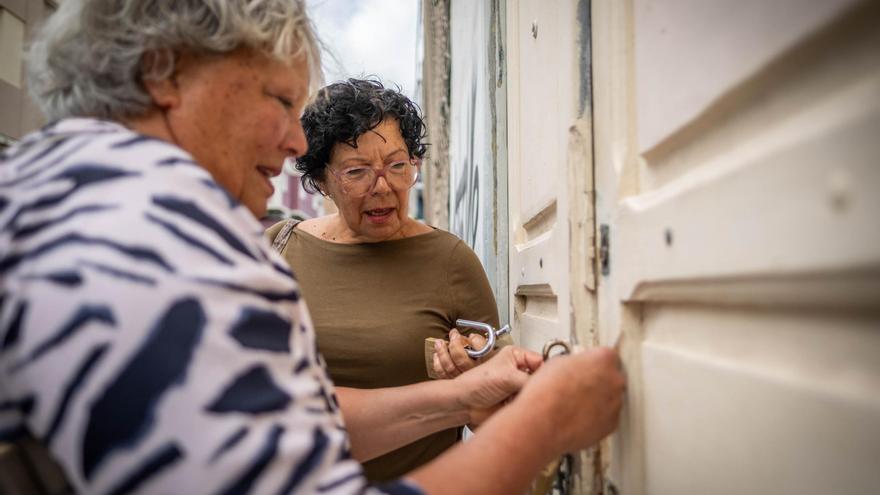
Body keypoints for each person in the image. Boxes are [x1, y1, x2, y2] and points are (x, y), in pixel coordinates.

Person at [0, 1, 625, 494]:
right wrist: (546, 423)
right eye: (279, 99)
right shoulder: (173, 248)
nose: (297, 140)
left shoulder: (36, 193)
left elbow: (271, 428)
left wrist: (463, 397)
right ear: (165, 71)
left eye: (397, 163)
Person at [266, 78, 508, 481]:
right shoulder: (278, 248)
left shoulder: (451, 262)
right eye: (357, 172)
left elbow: (499, 420)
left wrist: (470, 380)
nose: (383, 188)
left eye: (398, 166)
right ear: (322, 179)